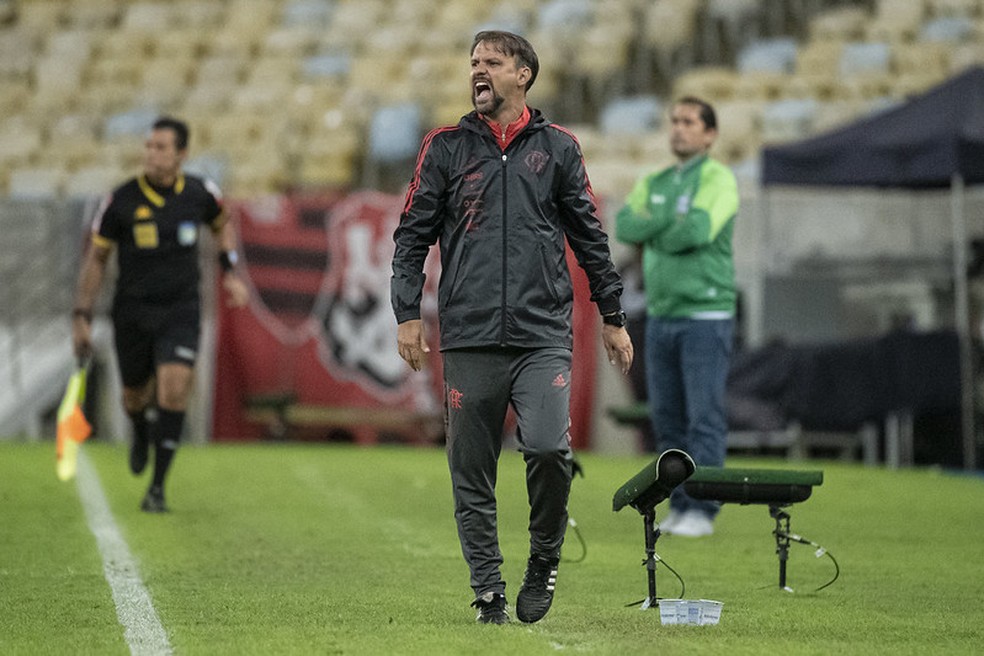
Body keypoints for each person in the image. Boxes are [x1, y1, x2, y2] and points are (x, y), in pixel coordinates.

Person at [391, 30, 633, 624]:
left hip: (542, 336)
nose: (479, 71)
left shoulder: (558, 149)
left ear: (523, 75)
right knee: (470, 471)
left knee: (548, 449)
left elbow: (590, 238)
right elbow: (411, 237)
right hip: (469, 337)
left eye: (492, 63)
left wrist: (612, 316)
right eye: (474, 62)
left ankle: (543, 561)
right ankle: (488, 591)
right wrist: (406, 314)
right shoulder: (444, 147)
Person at [71, 116, 248, 513]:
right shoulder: (121, 200)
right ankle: (138, 429)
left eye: (161, 147)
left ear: (181, 154)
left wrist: (231, 271)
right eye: (149, 146)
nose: (152, 154)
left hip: (181, 309)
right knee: (135, 395)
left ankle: (157, 488)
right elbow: (97, 258)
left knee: (174, 387)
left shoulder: (201, 193)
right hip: (132, 311)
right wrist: (81, 314)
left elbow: (224, 226)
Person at [615, 97, 739, 538]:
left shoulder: (719, 178)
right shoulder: (656, 180)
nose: (678, 129)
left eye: (689, 122)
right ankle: (679, 504)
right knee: (667, 416)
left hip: (705, 313)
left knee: (702, 414)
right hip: (661, 313)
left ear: (709, 134)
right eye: (674, 121)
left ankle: (702, 511)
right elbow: (626, 226)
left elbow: (698, 232)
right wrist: (671, 220)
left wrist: (659, 225)